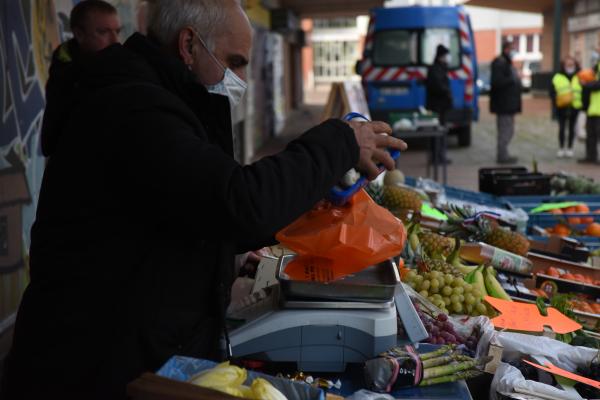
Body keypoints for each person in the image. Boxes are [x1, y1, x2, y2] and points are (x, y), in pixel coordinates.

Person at [0, 0, 406, 399]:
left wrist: (220, 253)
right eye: (235, 61)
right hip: (92, 367)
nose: (241, 78)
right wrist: (338, 142)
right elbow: (239, 203)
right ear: (189, 45)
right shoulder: (133, 106)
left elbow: (181, 205)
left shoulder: (156, 96)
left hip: (124, 347)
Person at [41, 0, 121, 156]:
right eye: (103, 32)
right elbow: (50, 142)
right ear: (79, 34)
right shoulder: (66, 80)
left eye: (117, 31)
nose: (115, 41)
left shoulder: (120, 65)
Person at [490, 41, 522, 164]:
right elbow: (497, 82)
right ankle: (502, 156)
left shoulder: (506, 63)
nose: (514, 52)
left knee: (508, 130)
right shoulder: (500, 63)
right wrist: (512, 79)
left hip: (509, 104)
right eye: (513, 49)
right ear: (507, 49)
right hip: (504, 104)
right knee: (505, 131)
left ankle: (504, 154)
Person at [425, 44, 453, 164]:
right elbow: (438, 86)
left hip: (441, 106)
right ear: (441, 56)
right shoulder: (435, 69)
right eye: (446, 55)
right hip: (436, 106)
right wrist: (447, 92)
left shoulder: (441, 68)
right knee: (437, 132)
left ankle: (440, 156)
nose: (447, 58)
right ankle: (436, 157)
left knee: (441, 132)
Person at [550, 56, 581, 158]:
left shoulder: (579, 75)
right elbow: (552, 92)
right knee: (562, 128)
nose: (569, 65)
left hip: (575, 106)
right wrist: (556, 102)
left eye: (571, 63)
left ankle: (570, 148)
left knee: (572, 128)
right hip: (561, 106)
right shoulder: (557, 76)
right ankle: (561, 147)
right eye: (567, 63)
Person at [580, 62, 600, 164]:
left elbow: (597, 84)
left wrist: (586, 84)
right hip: (592, 108)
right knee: (590, 134)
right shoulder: (597, 65)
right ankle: (591, 156)